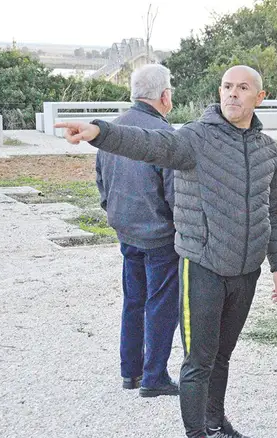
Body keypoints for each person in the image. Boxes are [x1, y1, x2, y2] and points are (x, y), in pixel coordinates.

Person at [56, 65, 277, 438]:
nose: (232, 94)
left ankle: (216, 425)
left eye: (242, 88)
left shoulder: (267, 149)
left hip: (246, 270)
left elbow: (270, 210)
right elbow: (149, 143)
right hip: (202, 265)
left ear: (260, 96)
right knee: (198, 360)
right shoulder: (194, 138)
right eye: (226, 86)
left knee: (222, 356)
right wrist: (101, 133)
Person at [95, 64, 179, 397]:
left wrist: (113, 212)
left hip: (126, 230)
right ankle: (154, 377)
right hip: (160, 236)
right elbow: (174, 194)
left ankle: (130, 372)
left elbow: (101, 181)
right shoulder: (165, 135)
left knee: (134, 301)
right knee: (161, 305)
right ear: (165, 96)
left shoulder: (112, 130)